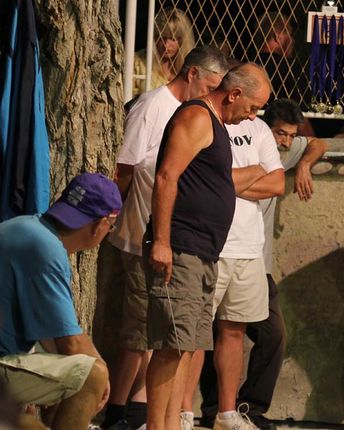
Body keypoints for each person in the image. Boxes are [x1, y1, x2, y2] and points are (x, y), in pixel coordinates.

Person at [102, 45, 230, 430]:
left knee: (168, 338)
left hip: (177, 240)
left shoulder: (199, 115)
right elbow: (128, 168)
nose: (213, 95)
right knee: (146, 334)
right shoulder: (153, 107)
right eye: (210, 86)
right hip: (147, 235)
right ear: (192, 74)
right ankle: (122, 415)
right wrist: (110, 219)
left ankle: (151, 415)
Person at [144, 63, 271, 430]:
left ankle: (171, 424)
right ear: (234, 94)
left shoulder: (216, 124)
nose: (253, 116)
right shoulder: (197, 117)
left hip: (204, 251)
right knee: (170, 346)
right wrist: (162, 241)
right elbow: (166, 176)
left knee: (185, 346)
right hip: (181, 246)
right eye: (252, 107)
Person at [195, 99, 328, 430]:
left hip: (257, 261)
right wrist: (250, 179)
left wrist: (305, 165)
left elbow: (316, 145)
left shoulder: (281, 152)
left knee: (272, 334)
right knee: (209, 333)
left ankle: (248, 407)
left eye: (291, 135)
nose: (286, 141)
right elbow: (219, 182)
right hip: (220, 250)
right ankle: (212, 409)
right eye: (281, 133)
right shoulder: (237, 140)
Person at [0, 173, 121, 430]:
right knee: (92, 375)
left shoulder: (26, 227)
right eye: (111, 226)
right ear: (100, 224)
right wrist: (103, 374)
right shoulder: (46, 249)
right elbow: (70, 342)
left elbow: (50, 333)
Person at [132, 7, 196, 96]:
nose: (166, 45)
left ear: (183, 41)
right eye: (162, 38)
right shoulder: (137, 62)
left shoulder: (191, 69)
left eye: (173, 39)